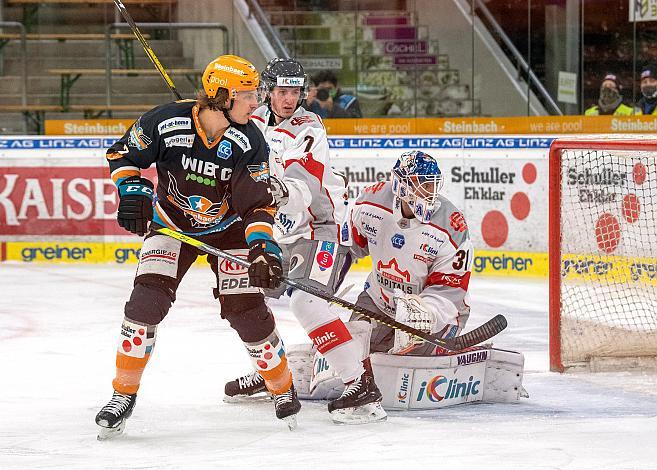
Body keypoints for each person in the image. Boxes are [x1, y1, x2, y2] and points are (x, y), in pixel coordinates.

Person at [95, 54, 301, 439]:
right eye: (247, 95)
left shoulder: (250, 139)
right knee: (145, 303)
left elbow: (257, 204)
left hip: (229, 229)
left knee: (246, 312)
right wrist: (131, 188)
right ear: (222, 95)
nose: (256, 102)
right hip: (172, 224)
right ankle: (122, 394)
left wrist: (261, 247)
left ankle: (282, 385)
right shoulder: (164, 121)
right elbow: (122, 155)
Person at [223, 58, 386, 424]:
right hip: (276, 230)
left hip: (319, 227)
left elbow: (306, 182)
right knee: (241, 299)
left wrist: (276, 188)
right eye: (282, 91)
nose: (289, 99)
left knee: (307, 304)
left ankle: (360, 384)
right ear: (267, 91)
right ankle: (273, 373)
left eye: (295, 92)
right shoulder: (253, 121)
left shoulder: (309, 126)